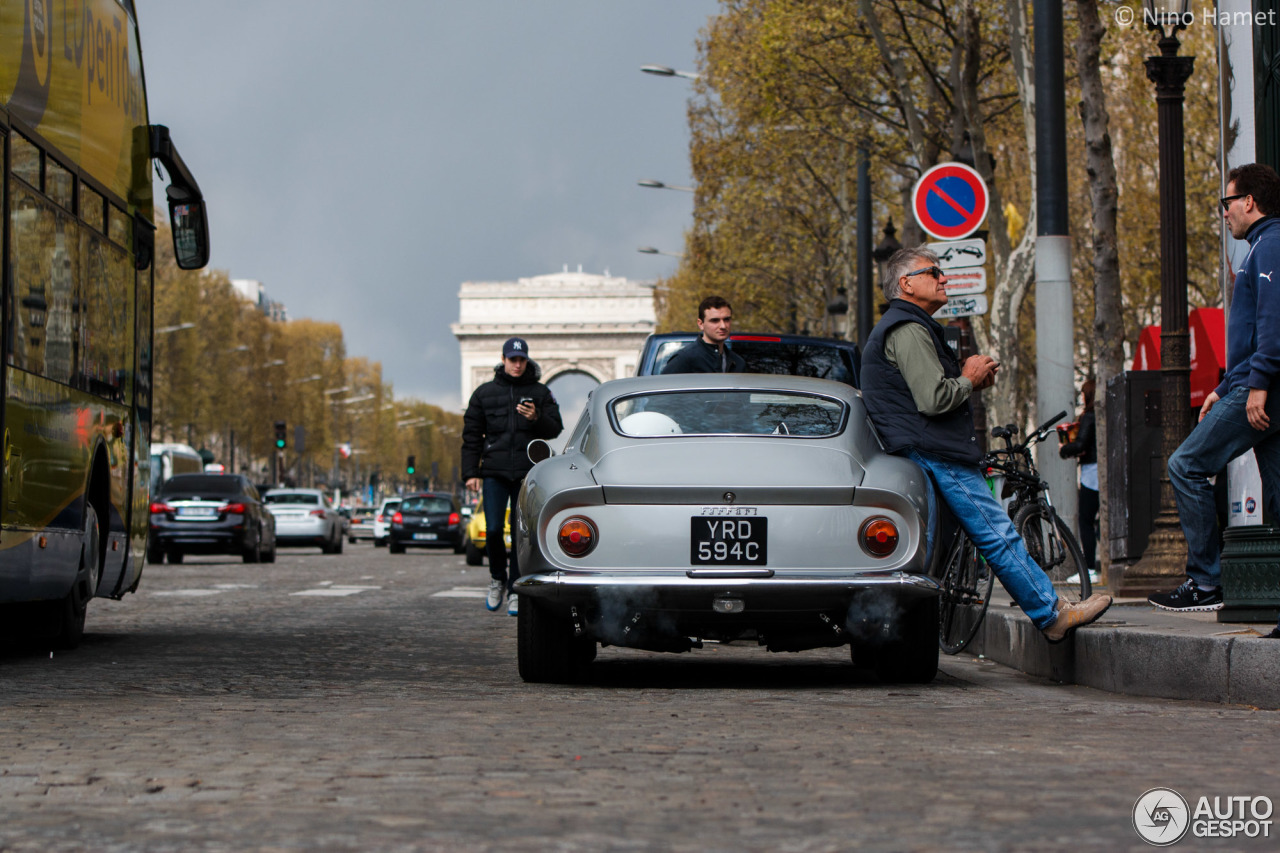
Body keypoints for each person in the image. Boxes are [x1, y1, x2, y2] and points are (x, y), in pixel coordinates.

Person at [860, 246, 1112, 643]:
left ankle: (896, 633)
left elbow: (922, 392)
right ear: (906, 284)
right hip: (935, 451)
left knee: (929, 547)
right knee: (996, 532)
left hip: (922, 449)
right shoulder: (907, 328)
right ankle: (1050, 614)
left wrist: (963, 376)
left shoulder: (906, 325)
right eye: (934, 272)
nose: (944, 279)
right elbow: (933, 399)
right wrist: (969, 379)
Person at [462, 337, 563, 615]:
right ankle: (497, 578)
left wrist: (536, 418)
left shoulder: (541, 393)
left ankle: (515, 588)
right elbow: (471, 435)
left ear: (526, 361)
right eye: (512, 359)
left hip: (526, 473)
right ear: (503, 360)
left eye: (521, 360)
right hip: (494, 470)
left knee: (521, 534)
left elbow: (555, 427)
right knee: (493, 529)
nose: (517, 365)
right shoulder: (483, 393)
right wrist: (470, 473)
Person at [1059, 377, 1099, 585]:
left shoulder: (1089, 416)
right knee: (1094, 520)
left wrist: (1065, 448)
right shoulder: (1098, 415)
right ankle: (1092, 566)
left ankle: (1090, 567)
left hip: (1091, 473)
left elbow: (1082, 442)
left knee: (1085, 519)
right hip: (1096, 469)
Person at [661, 295, 747, 374]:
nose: (723, 326)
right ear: (701, 324)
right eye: (715, 320)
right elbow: (662, 387)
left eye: (727, 319)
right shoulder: (684, 359)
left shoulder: (738, 363)